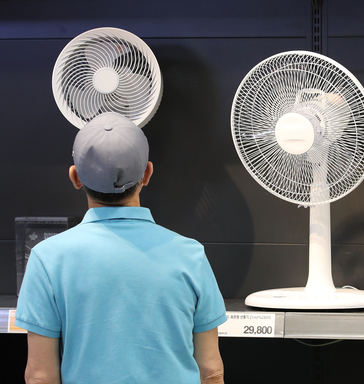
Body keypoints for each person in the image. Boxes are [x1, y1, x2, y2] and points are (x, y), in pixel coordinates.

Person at [16, 112, 227, 384]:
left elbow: (40, 377)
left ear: (75, 177)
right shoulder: (191, 255)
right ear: (147, 173)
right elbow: (211, 372)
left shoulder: (47, 259)